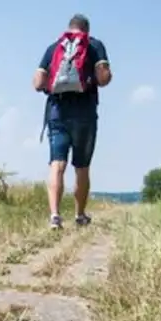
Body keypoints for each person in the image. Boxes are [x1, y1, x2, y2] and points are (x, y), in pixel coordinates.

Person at [32, 14, 111, 230]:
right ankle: (79, 215)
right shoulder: (94, 45)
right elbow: (103, 78)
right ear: (86, 29)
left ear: (69, 28)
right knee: (82, 167)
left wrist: (52, 85)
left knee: (57, 165)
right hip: (84, 114)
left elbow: (38, 82)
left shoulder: (54, 48)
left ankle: (55, 216)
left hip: (57, 113)